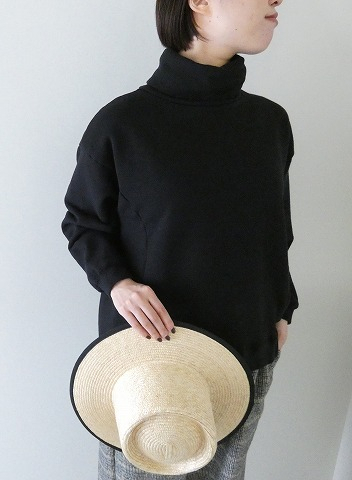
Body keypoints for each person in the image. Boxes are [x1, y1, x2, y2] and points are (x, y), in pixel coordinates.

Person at [61, 1, 298, 479]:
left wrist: (281, 307)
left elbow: (274, 230)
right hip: (151, 360)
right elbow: (83, 222)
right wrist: (118, 283)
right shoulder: (123, 124)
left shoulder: (269, 122)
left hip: (245, 354)